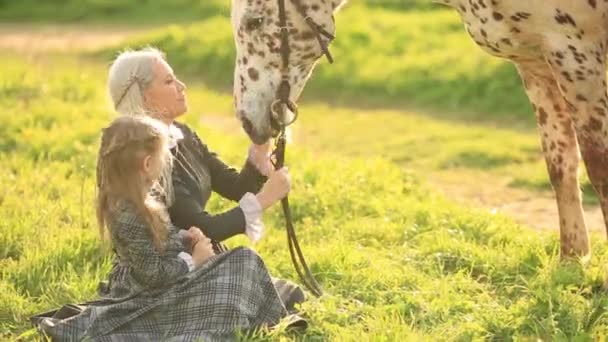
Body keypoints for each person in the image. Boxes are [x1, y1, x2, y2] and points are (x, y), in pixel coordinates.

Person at [34, 115, 302, 341]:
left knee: (243, 261)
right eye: (164, 158)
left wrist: (186, 238)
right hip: (151, 294)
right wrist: (193, 260)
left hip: (169, 276)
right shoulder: (127, 212)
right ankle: (217, 324)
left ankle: (248, 316)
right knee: (242, 263)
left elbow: (163, 238)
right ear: (147, 165)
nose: (167, 163)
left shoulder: (149, 192)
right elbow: (153, 275)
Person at [107, 47, 306, 310]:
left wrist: (260, 149)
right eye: (169, 81)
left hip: (199, 250)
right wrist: (265, 199)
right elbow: (207, 228)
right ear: (145, 98)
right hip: (167, 272)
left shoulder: (182, 135)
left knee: (286, 293)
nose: (182, 86)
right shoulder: (146, 161)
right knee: (255, 283)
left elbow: (235, 187)